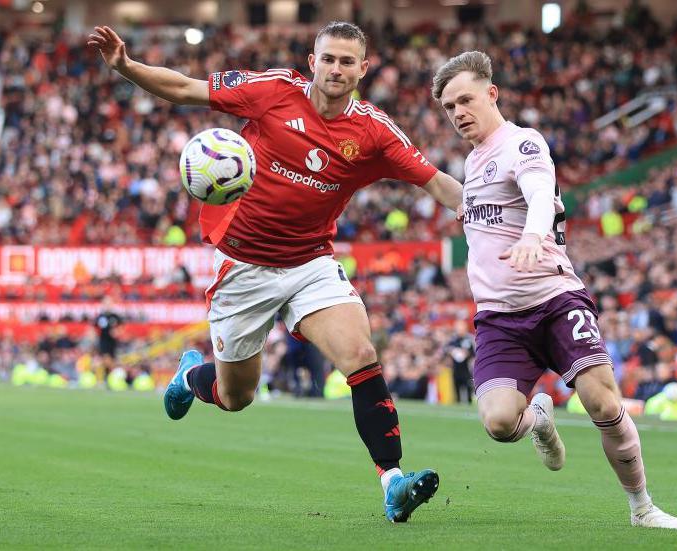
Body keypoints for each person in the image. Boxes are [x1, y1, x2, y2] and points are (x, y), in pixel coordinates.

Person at [88, 22, 464, 523]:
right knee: (236, 394)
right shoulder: (272, 92)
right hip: (244, 267)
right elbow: (185, 89)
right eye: (328, 58)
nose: (336, 69)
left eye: (347, 61)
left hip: (310, 263)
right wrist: (126, 67)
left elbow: (439, 185)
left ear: (363, 69)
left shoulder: (374, 131)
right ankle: (190, 377)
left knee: (360, 353)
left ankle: (393, 482)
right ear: (313, 61)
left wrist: (504, 216)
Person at [431, 51, 677, 529]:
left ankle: (642, 507)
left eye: (465, 99)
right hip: (499, 318)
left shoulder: (523, 143)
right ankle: (539, 419)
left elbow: (540, 193)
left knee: (604, 404)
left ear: (491, 93)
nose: (458, 112)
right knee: (500, 423)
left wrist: (532, 235)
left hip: (553, 299)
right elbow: (463, 205)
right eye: (449, 107)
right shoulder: (472, 162)